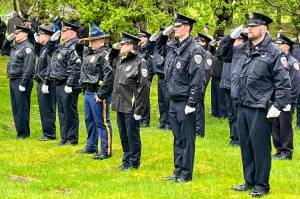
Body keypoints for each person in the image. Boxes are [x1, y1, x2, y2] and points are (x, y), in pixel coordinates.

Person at [217, 13, 290, 197]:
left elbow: (283, 82)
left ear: (264, 28)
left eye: (253, 25)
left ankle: (262, 185)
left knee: (260, 148)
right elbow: (222, 54)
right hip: (241, 104)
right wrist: (230, 37)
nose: (249, 28)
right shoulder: (242, 49)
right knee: (246, 146)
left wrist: (278, 105)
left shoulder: (274, 52)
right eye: (248, 26)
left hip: (260, 106)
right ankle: (249, 180)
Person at [162, 13, 205, 183]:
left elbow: (197, 79)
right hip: (173, 99)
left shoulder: (194, 49)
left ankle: (186, 174)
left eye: (178, 26)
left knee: (187, 139)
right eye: (174, 26)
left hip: (185, 101)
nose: (175, 29)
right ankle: (177, 170)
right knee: (177, 137)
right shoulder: (174, 47)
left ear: (187, 28)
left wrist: (192, 102)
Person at [110, 32, 149, 170]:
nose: (120, 46)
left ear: (130, 45)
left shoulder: (140, 62)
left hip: (131, 106)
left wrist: (139, 109)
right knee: (123, 134)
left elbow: (143, 88)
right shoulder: (122, 60)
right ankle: (126, 161)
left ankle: (134, 162)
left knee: (132, 135)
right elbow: (110, 61)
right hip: (121, 104)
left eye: (123, 44)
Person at [77, 25, 114, 160]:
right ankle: (91, 145)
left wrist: (101, 94)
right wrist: (80, 44)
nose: (91, 43)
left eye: (93, 41)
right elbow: (79, 51)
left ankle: (106, 150)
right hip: (88, 91)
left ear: (101, 41)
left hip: (98, 93)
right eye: (90, 41)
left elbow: (109, 76)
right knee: (89, 121)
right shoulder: (90, 53)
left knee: (102, 122)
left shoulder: (105, 55)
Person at [49, 19, 82, 146]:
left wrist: (69, 84)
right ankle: (64, 137)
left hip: (69, 84)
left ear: (72, 32)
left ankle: (72, 138)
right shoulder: (63, 45)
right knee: (62, 112)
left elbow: (75, 66)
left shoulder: (75, 46)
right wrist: (52, 41)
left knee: (70, 112)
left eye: (64, 31)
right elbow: (48, 52)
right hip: (59, 83)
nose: (62, 34)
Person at [2, 25, 36, 139]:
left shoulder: (28, 48)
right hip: (13, 79)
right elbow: (4, 51)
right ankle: (19, 131)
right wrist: (7, 40)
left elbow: (29, 67)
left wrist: (23, 83)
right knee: (16, 107)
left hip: (21, 80)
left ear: (24, 34)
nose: (15, 35)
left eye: (17, 33)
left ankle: (24, 133)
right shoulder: (16, 47)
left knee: (22, 107)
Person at [272, 34, 300, 160]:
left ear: (286, 47)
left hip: (287, 101)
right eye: (276, 45)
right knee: (275, 126)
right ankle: (279, 150)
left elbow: (294, 84)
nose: (276, 47)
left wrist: (289, 102)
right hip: (276, 99)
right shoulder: (276, 61)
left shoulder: (293, 63)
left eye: (279, 45)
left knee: (285, 128)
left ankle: (287, 152)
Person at [219, 32, 247, 146]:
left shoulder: (244, 53)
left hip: (237, 88)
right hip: (226, 85)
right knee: (230, 114)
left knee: (237, 114)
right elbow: (220, 50)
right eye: (235, 39)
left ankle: (239, 138)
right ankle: (233, 137)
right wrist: (230, 37)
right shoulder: (229, 51)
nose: (236, 41)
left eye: (239, 39)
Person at [34, 24, 58, 141]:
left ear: (47, 36)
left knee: (48, 108)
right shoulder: (44, 47)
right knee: (43, 107)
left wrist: (46, 82)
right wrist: (37, 43)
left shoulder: (51, 48)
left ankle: (50, 133)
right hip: (41, 80)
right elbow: (38, 54)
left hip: (47, 82)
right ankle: (46, 132)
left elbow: (51, 66)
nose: (38, 37)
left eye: (40, 35)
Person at [195, 33, 213, 137]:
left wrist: (201, 85)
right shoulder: (197, 53)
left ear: (206, 44)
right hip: (194, 84)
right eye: (198, 41)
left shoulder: (207, 54)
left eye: (201, 42)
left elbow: (207, 71)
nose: (199, 43)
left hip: (201, 84)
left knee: (199, 107)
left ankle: (199, 130)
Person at [138, 30, 155, 127]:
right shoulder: (139, 48)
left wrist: (148, 77)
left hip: (146, 75)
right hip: (138, 75)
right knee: (139, 97)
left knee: (145, 97)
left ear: (146, 38)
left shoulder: (148, 48)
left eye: (141, 36)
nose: (139, 38)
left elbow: (150, 65)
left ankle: (145, 119)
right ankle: (139, 117)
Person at [211, 33, 226, 118]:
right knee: (214, 97)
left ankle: (222, 113)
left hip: (220, 77)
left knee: (221, 97)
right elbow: (211, 44)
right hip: (214, 76)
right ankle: (214, 112)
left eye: (220, 40)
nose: (218, 42)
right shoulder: (215, 50)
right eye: (217, 40)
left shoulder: (223, 51)